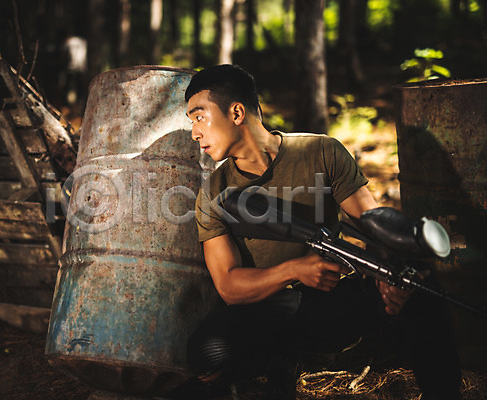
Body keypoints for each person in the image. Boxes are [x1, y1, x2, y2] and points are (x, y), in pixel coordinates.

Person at [184, 64, 461, 400]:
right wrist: (294, 270)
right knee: (207, 356)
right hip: (267, 310)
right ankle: (279, 362)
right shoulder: (214, 193)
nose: (194, 132)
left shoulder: (320, 151)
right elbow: (229, 286)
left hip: (333, 300)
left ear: (237, 112)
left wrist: (389, 276)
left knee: (419, 281)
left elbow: (372, 221)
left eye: (199, 117)